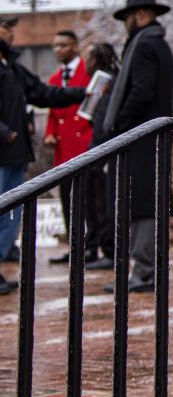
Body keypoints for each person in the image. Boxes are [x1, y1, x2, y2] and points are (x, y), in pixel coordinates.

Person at [0, 15, 87, 294]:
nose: (12, 34)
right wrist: (3, 131)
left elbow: (43, 93)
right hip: (3, 149)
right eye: (6, 28)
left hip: (15, 154)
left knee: (10, 215)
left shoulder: (12, 67)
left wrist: (84, 93)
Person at [96, 0, 173, 295]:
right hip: (148, 137)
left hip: (141, 139)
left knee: (142, 205)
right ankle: (144, 271)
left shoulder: (144, 45)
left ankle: (144, 273)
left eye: (127, 17)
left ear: (140, 15)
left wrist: (119, 125)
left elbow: (141, 92)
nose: (125, 24)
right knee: (143, 203)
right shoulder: (156, 43)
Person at [44, 30, 93, 264]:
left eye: (63, 45)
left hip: (84, 144)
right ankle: (75, 246)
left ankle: (92, 246)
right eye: (55, 45)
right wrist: (50, 133)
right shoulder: (54, 79)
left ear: (75, 46)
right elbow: (53, 112)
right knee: (67, 199)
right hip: (63, 149)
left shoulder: (88, 73)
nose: (57, 50)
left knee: (90, 199)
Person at [82, 43, 120, 271]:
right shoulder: (103, 82)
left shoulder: (108, 83)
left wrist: (98, 149)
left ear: (96, 60)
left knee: (103, 203)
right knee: (95, 203)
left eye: (88, 58)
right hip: (96, 149)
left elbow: (104, 123)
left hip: (103, 151)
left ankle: (109, 250)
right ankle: (95, 246)